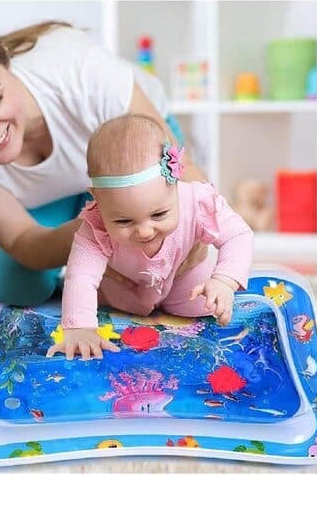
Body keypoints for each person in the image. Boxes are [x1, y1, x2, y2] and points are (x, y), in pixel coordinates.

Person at [0, 6, 207, 306]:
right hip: (56, 196)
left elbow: (184, 170)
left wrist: (195, 232)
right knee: (12, 286)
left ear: (7, 62)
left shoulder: (81, 71)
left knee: (176, 276)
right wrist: (92, 238)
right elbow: (23, 241)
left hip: (135, 157)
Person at [47, 114, 254, 360]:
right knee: (102, 304)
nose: (145, 231)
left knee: (205, 306)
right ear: (97, 199)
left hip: (184, 276)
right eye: (124, 221)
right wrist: (80, 327)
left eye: (159, 214)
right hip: (125, 287)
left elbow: (238, 235)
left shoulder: (197, 202)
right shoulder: (96, 226)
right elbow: (81, 274)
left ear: (176, 184)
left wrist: (224, 281)